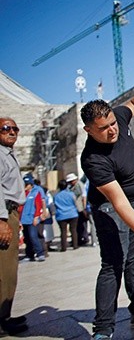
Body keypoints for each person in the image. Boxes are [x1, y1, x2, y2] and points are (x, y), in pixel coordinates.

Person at [80, 85, 134, 340]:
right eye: (103, 128)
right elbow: (119, 202)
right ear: (88, 130)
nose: (112, 131)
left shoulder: (118, 116)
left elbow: (133, 103)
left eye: (112, 124)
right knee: (112, 265)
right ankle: (103, 328)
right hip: (111, 210)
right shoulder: (92, 159)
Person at [0, 118, 28, 336]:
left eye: (15, 129)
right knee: (5, 271)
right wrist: (1, 220)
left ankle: (5, 317)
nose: (12, 132)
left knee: (10, 270)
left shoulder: (8, 154)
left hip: (11, 213)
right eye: (6, 128)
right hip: (3, 214)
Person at [20, 175, 47, 262]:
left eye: (27, 184)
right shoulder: (22, 194)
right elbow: (19, 207)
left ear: (31, 184)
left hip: (32, 218)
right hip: (24, 219)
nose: (26, 186)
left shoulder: (36, 192)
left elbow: (38, 205)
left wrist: (36, 217)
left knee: (33, 236)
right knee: (26, 238)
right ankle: (29, 254)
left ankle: (40, 253)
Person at [53, 179, 79, 251]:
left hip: (61, 214)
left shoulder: (56, 196)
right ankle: (75, 245)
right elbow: (75, 203)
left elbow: (55, 205)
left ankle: (63, 247)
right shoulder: (71, 194)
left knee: (63, 231)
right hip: (72, 213)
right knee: (73, 230)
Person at [66, 173, 89, 246]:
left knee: (82, 224)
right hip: (76, 208)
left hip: (80, 208)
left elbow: (83, 196)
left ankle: (84, 238)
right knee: (79, 225)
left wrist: (84, 207)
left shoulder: (79, 185)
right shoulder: (72, 186)